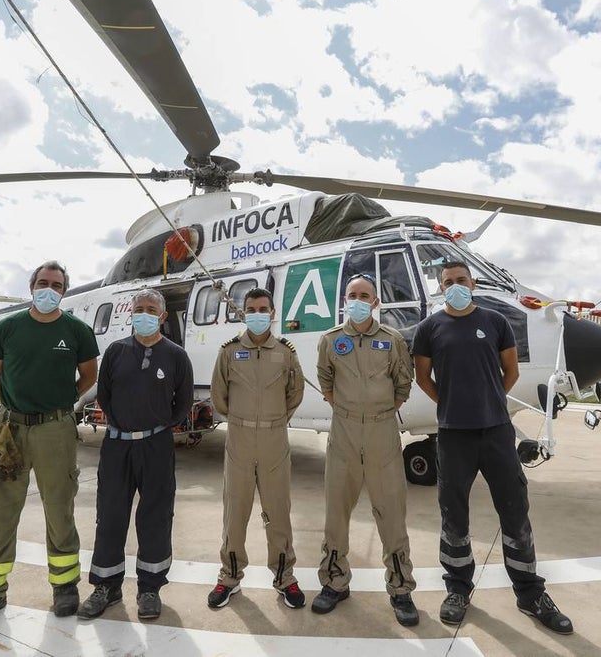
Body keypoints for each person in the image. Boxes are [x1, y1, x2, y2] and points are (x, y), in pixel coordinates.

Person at [413, 260, 573, 634]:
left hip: (497, 431)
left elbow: (511, 371)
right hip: (453, 435)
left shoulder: (496, 322)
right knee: (454, 514)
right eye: (448, 282)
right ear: (440, 288)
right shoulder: (429, 328)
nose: (455, 285)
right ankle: (457, 589)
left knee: (515, 510)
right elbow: (422, 377)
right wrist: (450, 404)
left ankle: (530, 593)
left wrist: (489, 400)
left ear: (473, 283)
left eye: (461, 280)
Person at [0, 261, 99, 631]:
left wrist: (62, 402)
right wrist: (10, 404)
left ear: (64, 291)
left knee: (60, 510)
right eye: (42, 282)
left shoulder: (77, 331)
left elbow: (89, 375)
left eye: (56, 284)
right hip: (11, 429)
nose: (48, 288)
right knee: (1, 510)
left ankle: (65, 587)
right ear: (31, 286)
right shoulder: (8, 328)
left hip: (56, 428)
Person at [78, 288, 194, 621]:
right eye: (138, 308)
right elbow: (105, 395)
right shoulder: (115, 351)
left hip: (156, 446)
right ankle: (106, 586)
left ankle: (149, 589)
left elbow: (183, 402)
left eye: (150, 309)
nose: (143, 314)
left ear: (162, 316)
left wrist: (159, 427)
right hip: (117, 445)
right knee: (110, 514)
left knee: (155, 516)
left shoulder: (175, 356)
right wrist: (122, 427)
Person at [312, 273, 419, 627]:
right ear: (345, 299)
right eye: (352, 294)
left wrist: (378, 412)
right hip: (342, 432)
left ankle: (400, 589)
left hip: (381, 432)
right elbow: (325, 380)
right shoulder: (331, 340)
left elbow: (403, 383)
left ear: (375, 302)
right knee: (335, 514)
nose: (357, 300)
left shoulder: (392, 340)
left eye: (364, 295)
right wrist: (346, 409)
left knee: (391, 514)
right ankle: (334, 583)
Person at [207, 287, 306, 610]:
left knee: (278, 512)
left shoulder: (285, 352)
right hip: (240, 440)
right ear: (244, 312)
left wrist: (274, 421)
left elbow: (295, 392)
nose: (257, 313)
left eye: (263, 308)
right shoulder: (229, 351)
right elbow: (219, 395)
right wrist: (242, 421)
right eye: (251, 308)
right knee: (235, 512)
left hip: (275, 441)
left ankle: (284, 577)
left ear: (273, 313)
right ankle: (230, 576)